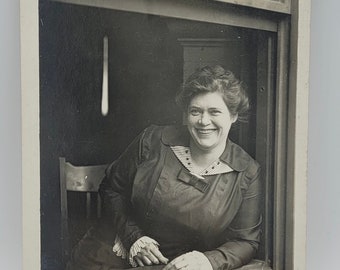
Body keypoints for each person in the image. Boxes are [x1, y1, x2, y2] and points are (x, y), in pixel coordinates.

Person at [67, 65, 263, 270]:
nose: (204, 121)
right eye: (195, 111)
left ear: (232, 116)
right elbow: (111, 188)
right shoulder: (152, 141)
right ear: (186, 115)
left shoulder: (246, 171)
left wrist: (208, 260)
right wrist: (133, 237)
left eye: (214, 112)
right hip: (117, 250)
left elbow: (245, 241)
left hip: (181, 265)